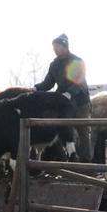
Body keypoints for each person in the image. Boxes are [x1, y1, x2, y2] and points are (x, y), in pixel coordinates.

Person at [34, 34, 92, 162]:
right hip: (63, 103)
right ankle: (64, 160)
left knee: (82, 130)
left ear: (65, 46)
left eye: (57, 47)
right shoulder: (54, 64)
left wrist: (69, 93)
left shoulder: (77, 61)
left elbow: (79, 81)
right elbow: (48, 83)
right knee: (61, 128)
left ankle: (86, 163)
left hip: (80, 101)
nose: (54, 49)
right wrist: (36, 88)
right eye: (53, 47)